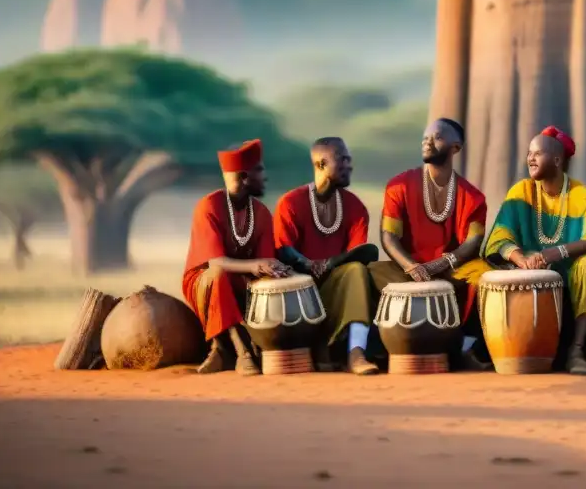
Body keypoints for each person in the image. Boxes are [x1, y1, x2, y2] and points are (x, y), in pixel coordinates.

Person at [483, 126, 586, 375]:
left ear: (556, 159)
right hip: (529, 266)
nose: (530, 158)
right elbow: (500, 236)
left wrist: (559, 252)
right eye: (529, 153)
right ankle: (514, 349)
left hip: (570, 267)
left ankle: (577, 350)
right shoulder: (520, 192)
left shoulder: (582, 195)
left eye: (537, 153)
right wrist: (521, 259)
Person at [369, 118, 492, 371]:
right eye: (425, 137)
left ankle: (466, 348)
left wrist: (436, 266)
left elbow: (472, 244)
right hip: (404, 267)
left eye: (437, 137)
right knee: (364, 274)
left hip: (450, 269)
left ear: (455, 148)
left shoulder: (474, 197)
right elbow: (388, 237)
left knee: (485, 276)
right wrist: (413, 267)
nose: (427, 141)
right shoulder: (398, 185)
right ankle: (369, 350)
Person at [182, 139, 291, 376]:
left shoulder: (261, 212)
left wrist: (276, 269)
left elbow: (264, 262)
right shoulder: (209, 206)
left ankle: (221, 349)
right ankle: (242, 352)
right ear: (244, 177)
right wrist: (256, 265)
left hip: (242, 279)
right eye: (260, 170)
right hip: (204, 281)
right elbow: (215, 262)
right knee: (220, 274)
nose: (265, 176)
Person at [273, 137, 379, 375]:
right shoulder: (291, 203)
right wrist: (309, 265)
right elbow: (283, 250)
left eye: (350, 159)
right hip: (300, 295)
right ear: (321, 164)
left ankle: (356, 352)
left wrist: (328, 265)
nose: (349, 165)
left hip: (336, 289)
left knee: (356, 271)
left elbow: (357, 254)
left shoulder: (355, 207)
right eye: (342, 159)